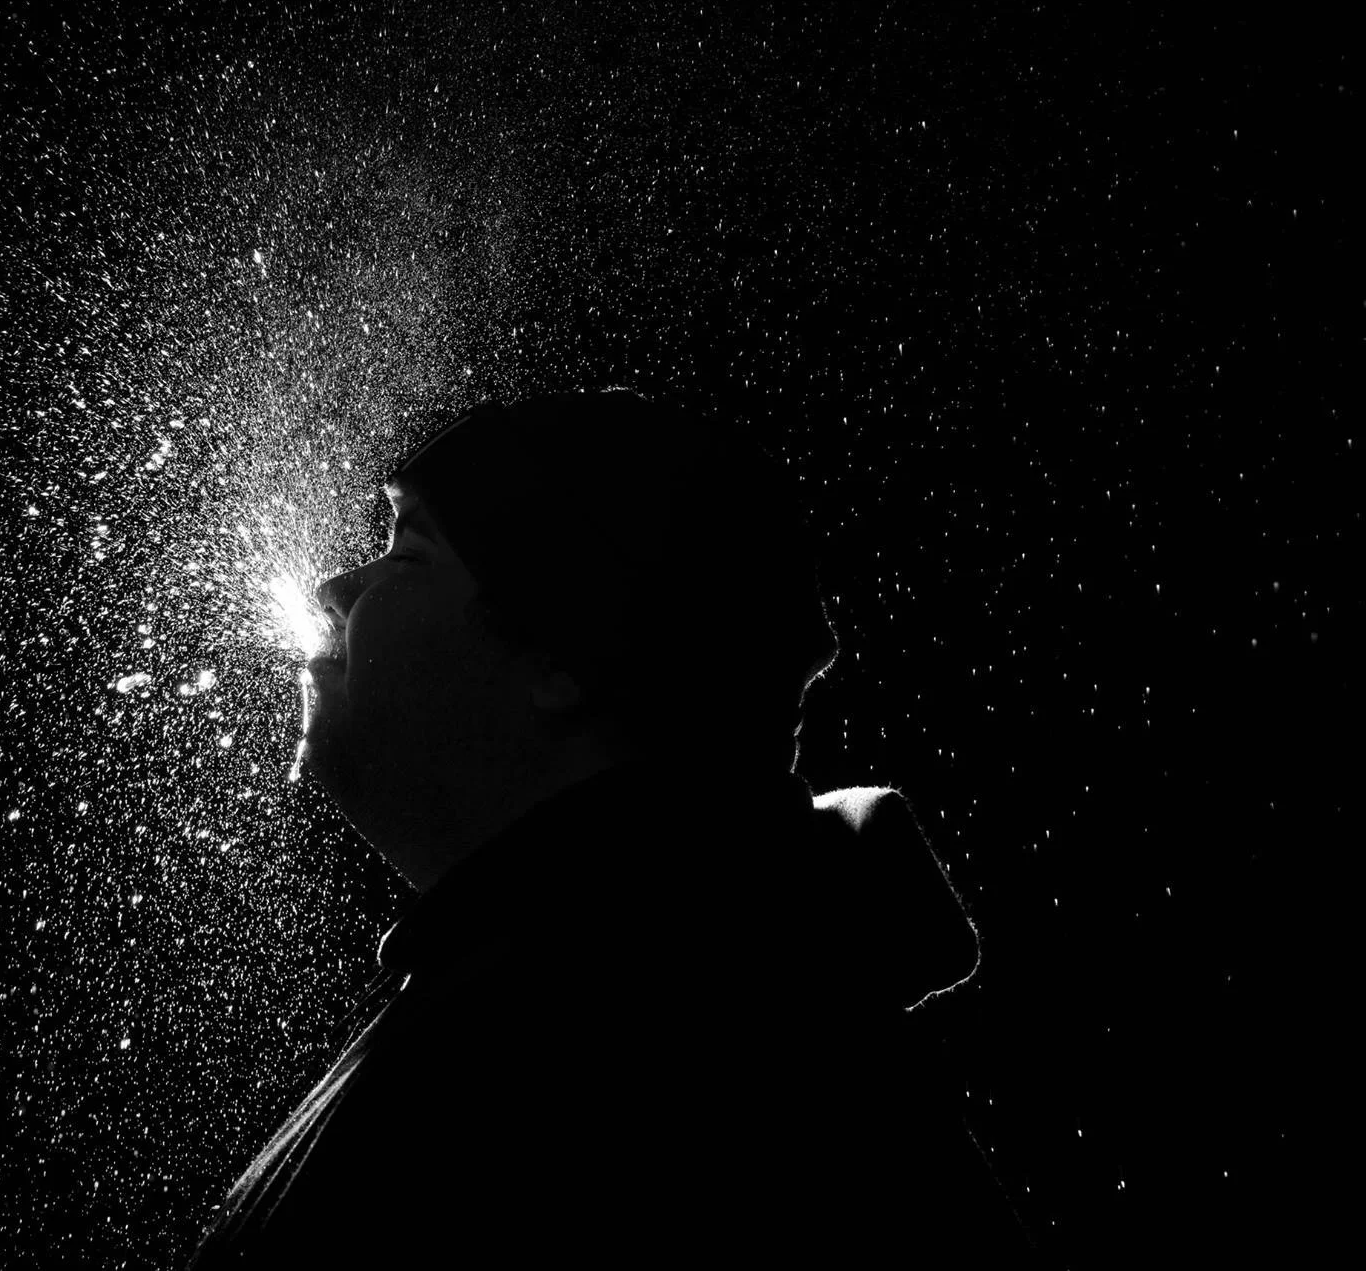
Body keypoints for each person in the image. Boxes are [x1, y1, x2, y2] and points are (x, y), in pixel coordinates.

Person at [186, 390, 1048, 1268]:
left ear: (558, 659)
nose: (334, 589)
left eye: (410, 553)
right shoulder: (629, 999)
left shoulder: (614, 1068)